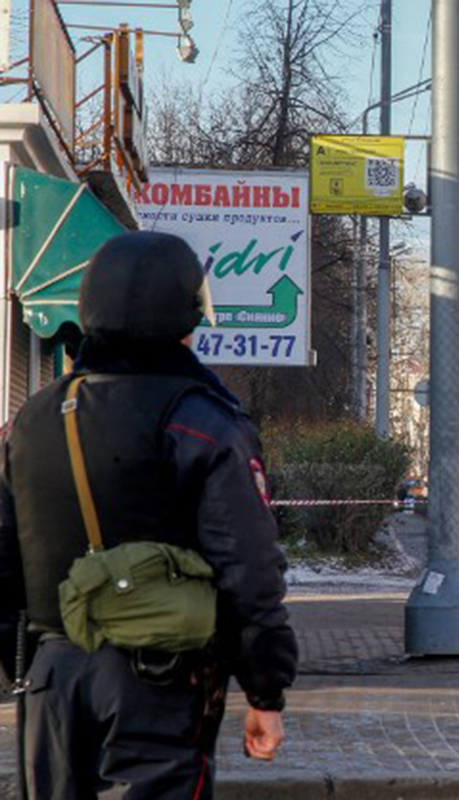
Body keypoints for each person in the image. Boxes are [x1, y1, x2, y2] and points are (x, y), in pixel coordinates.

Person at [0, 231, 298, 799]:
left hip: (50, 680)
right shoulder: (201, 423)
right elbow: (251, 572)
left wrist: (31, 664)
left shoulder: (31, 419)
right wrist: (265, 692)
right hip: (159, 681)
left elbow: (1, 559)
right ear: (185, 317)